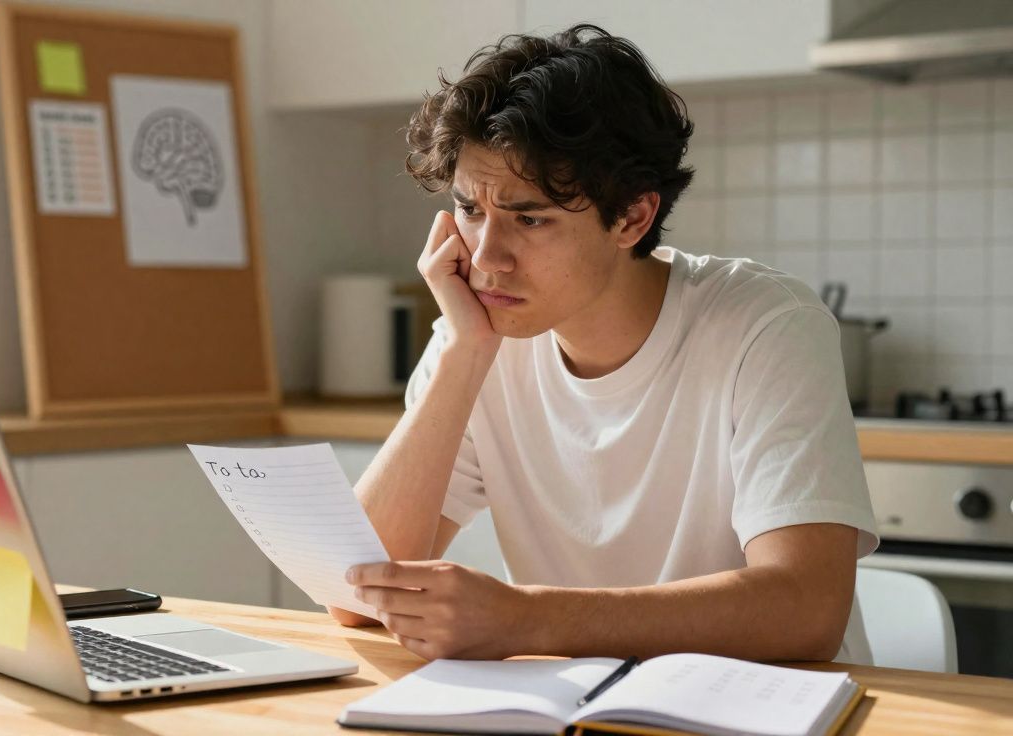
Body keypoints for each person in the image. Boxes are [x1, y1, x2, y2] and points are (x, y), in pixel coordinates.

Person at [331, 24, 879, 665]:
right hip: (577, 707)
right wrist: (462, 356)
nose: (486, 259)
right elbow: (356, 595)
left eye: (529, 218)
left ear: (632, 217)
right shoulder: (478, 334)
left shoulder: (764, 323)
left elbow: (805, 611)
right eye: (471, 212)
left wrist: (527, 620)